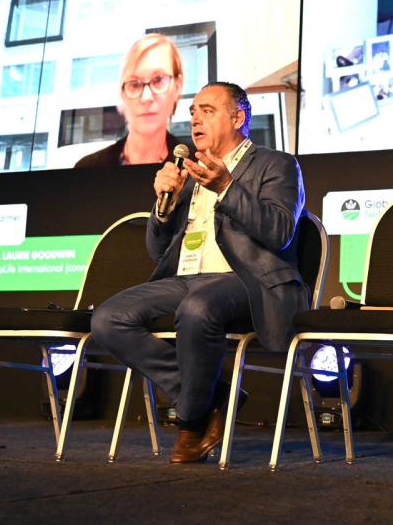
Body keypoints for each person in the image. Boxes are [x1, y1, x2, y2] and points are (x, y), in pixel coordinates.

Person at [90, 82, 307, 463]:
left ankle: (190, 423)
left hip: (248, 280)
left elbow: (280, 231)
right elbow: (158, 253)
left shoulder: (276, 164)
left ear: (239, 118)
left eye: (207, 110)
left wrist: (226, 186)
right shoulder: (187, 171)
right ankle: (214, 395)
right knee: (109, 319)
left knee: (197, 308)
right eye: (192, 113)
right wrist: (164, 208)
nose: (195, 120)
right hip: (186, 278)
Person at [75, 34, 188, 167]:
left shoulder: (200, 170)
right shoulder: (88, 169)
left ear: (177, 86)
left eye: (158, 80)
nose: (146, 98)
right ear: (122, 94)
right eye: (134, 84)